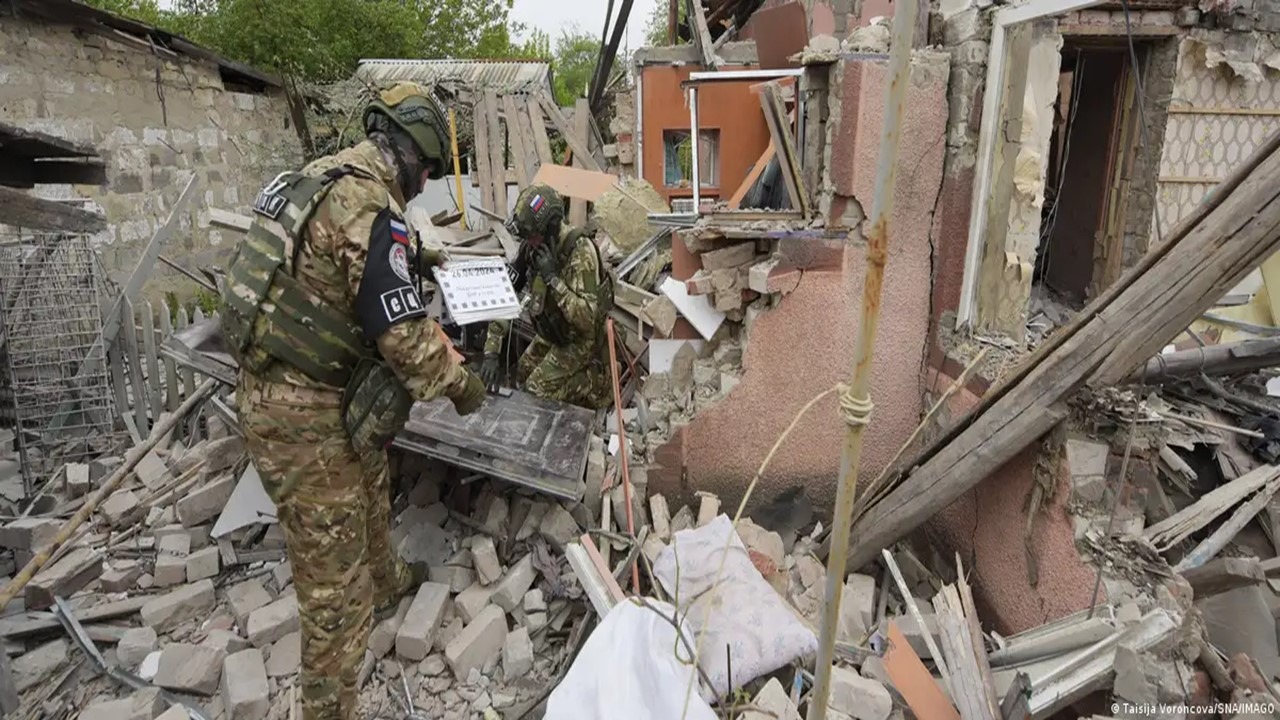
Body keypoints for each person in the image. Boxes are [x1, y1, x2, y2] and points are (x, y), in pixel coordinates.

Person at [218, 82, 486, 720]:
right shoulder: (369, 206)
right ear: (413, 161)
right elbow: (406, 340)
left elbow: (327, 251)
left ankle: (388, 582)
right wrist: (462, 385)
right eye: (426, 175)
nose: (422, 188)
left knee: (369, 472)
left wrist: (414, 252)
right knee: (332, 599)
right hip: (303, 419)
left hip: (282, 390)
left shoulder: (316, 176)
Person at [478, 184, 615, 409]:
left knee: (535, 391)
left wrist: (553, 279)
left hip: (580, 340)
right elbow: (506, 293)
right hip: (554, 334)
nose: (529, 243)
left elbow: (587, 319)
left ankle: (594, 382)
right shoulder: (531, 249)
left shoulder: (580, 251)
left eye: (533, 236)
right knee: (521, 374)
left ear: (549, 229)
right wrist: (491, 352)